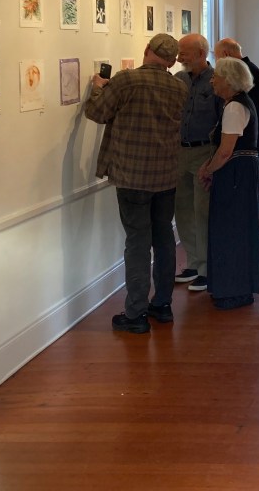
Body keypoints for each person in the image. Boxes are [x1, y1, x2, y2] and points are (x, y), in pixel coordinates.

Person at [84, 33, 188, 333]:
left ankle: (136, 314)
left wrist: (98, 88)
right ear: (171, 61)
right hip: (165, 174)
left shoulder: (126, 80)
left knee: (138, 243)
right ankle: (163, 305)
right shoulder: (179, 87)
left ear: (146, 50)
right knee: (164, 238)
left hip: (132, 176)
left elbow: (96, 112)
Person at [197, 57, 259, 310]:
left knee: (232, 229)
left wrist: (208, 170)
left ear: (229, 80)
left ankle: (235, 289)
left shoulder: (235, 107)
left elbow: (226, 151)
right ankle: (231, 287)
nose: (212, 81)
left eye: (216, 77)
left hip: (237, 171)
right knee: (233, 228)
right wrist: (211, 167)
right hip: (239, 169)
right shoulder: (236, 103)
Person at [173, 34, 223, 293]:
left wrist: (214, 158)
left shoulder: (216, 80)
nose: (179, 57)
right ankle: (193, 263)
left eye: (184, 52)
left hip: (204, 151)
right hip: (179, 152)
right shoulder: (179, 79)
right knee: (182, 209)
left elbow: (221, 119)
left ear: (201, 54)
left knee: (202, 211)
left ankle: (205, 268)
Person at [215, 38, 259, 160]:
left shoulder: (244, 72)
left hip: (255, 143)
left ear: (225, 54)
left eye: (216, 57)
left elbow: (252, 109)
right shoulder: (249, 68)